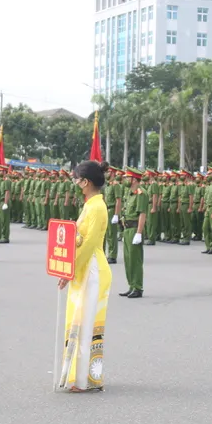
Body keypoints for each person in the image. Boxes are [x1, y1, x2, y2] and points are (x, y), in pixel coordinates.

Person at [55, 160, 111, 393]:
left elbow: (88, 245)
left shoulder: (96, 207)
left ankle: (83, 380)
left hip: (91, 268)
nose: (76, 183)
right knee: (78, 320)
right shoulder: (91, 205)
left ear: (86, 182)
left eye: (77, 179)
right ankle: (77, 377)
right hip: (84, 268)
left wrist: (70, 271)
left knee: (85, 324)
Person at [118, 167, 148, 298]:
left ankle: (138, 287)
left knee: (135, 260)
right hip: (127, 229)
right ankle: (131, 285)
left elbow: (142, 214)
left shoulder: (141, 193)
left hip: (135, 229)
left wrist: (139, 233)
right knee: (128, 259)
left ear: (134, 179)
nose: (124, 179)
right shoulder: (129, 193)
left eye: (127, 177)